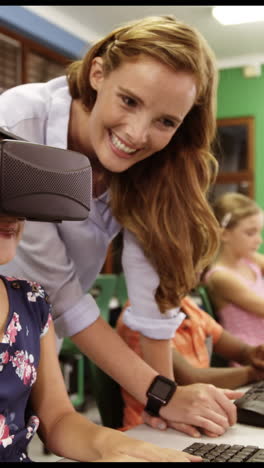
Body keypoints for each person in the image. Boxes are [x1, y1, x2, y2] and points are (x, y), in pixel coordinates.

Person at [0, 15, 243, 438]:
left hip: (36, 334)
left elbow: (152, 303)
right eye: (129, 101)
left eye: (166, 122)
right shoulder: (20, 126)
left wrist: (164, 404)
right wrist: (163, 394)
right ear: (97, 73)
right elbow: (62, 293)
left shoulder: (155, 166)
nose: (137, 134)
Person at [0, 213, 204, 463]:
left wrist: (112, 444)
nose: (11, 214)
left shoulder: (31, 301)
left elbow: (57, 419)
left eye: (19, 203)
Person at [116, 295, 264, 429]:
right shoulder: (139, 318)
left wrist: (256, 354)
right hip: (151, 425)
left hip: (195, 414)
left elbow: (242, 352)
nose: (199, 272)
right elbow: (189, 379)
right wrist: (254, 373)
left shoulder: (186, 305)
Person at [204, 192, 264, 350]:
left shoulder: (250, 260)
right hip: (252, 355)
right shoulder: (220, 276)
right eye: (250, 233)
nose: (259, 240)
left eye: (259, 232)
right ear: (224, 234)